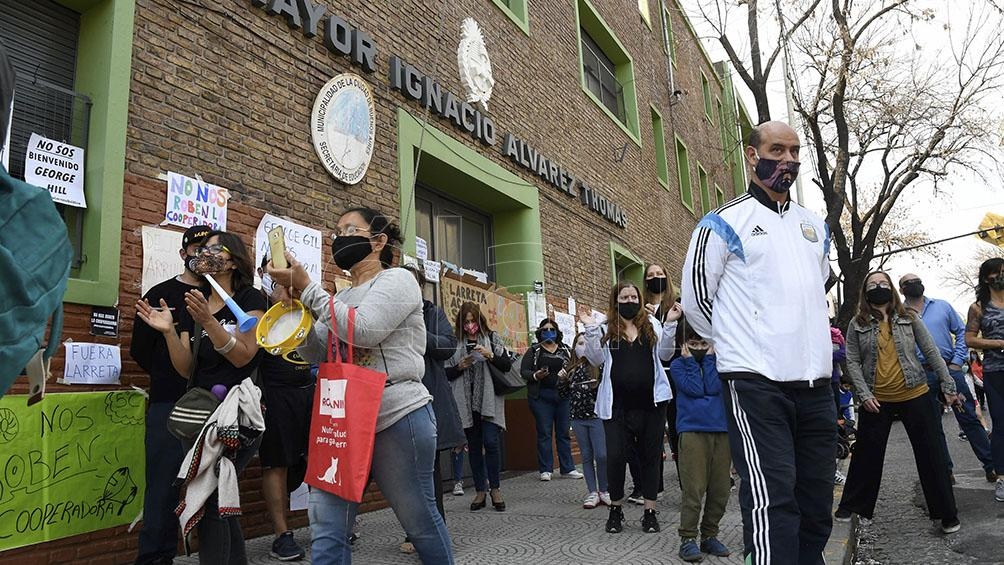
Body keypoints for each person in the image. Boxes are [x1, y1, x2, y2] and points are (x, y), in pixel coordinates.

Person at [681, 121, 836, 564]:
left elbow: (814, 289)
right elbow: (696, 302)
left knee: (815, 500)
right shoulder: (723, 223)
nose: (786, 160)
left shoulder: (814, 226)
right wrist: (743, 345)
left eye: (793, 151)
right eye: (775, 150)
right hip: (756, 384)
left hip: (817, 388)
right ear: (752, 155)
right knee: (773, 500)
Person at [267, 207, 453, 565]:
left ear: (379, 241)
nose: (339, 237)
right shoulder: (340, 297)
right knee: (326, 524)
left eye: (350, 229)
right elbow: (315, 350)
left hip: (396, 412)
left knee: (419, 521)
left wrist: (309, 289)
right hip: (341, 420)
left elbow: (364, 329)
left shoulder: (398, 280)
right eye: (336, 231)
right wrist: (297, 310)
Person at [136, 230, 267, 564]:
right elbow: (186, 369)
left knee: (209, 499)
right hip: (202, 414)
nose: (206, 255)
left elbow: (244, 356)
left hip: (237, 414)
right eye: (203, 250)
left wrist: (210, 322)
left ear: (234, 259)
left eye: (215, 250)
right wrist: (168, 332)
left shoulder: (252, 299)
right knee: (218, 498)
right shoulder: (196, 299)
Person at [834, 271, 962, 534]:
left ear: (891, 288)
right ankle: (851, 506)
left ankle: (946, 514)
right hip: (876, 400)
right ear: (865, 291)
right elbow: (853, 361)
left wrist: (948, 383)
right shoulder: (857, 324)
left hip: (915, 394)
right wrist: (864, 394)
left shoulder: (909, 317)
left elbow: (930, 351)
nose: (878, 287)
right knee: (866, 455)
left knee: (931, 456)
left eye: (883, 283)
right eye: (872, 284)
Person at [130, 225, 209, 565]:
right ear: (183, 253)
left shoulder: (225, 295)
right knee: (161, 488)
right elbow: (140, 351)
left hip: (213, 404)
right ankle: (155, 558)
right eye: (196, 248)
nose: (203, 255)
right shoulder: (159, 293)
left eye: (211, 248)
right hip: (169, 403)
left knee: (212, 488)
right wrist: (169, 374)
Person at [580, 281, 678, 534]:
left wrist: (671, 324)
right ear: (616, 301)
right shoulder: (605, 328)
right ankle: (616, 510)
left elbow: (666, 355)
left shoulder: (652, 325)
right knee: (615, 458)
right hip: (616, 406)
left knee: (650, 457)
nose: (630, 301)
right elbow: (595, 359)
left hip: (652, 404)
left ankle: (650, 512)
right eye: (624, 297)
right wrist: (590, 329)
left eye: (633, 296)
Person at [900, 273, 997, 483]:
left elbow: (962, 330)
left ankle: (992, 466)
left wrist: (956, 361)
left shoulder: (942, 306)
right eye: (908, 283)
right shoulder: (899, 314)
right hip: (921, 377)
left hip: (950, 372)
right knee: (932, 426)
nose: (914, 284)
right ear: (901, 290)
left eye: (917, 280)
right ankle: (945, 471)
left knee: (969, 417)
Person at [399, 263, 465, 553]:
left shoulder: (432, 312)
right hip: (397, 399)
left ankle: (436, 531)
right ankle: (413, 531)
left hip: (429, 397)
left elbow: (448, 346)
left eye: (412, 283)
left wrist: (417, 335)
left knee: (430, 470)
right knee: (405, 471)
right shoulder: (388, 313)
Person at [256, 260, 313, 561]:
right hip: (276, 397)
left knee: (317, 461)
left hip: (309, 393)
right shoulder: (260, 315)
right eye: (279, 281)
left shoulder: (307, 310)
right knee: (275, 464)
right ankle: (281, 534)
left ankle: (326, 523)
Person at [669, 320, 731, 562]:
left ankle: (709, 535)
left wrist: (709, 359)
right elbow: (695, 388)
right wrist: (689, 361)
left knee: (720, 489)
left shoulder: (718, 363)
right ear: (683, 344)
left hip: (721, 430)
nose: (699, 348)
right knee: (694, 489)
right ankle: (687, 538)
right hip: (692, 431)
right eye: (693, 343)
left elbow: (714, 386)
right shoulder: (677, 365)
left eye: (703, 343)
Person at [445, 302, 513, 512]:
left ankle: (495, 488)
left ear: (479, 320)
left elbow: (507, 364)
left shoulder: (491, 337)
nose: (470, 325)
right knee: (473, 447)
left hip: (488, 400)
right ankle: (480, 491)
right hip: (465, 403)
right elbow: (445, 373)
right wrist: (460, 366)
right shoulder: (455, 342)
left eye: (473, 320)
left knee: (491, 443)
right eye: (466, 322)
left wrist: (489, 355)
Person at [520, 318, 582, 481]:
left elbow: (575, 367)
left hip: (563, 396)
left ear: (557, 332)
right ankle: (546, 469)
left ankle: (567, 468)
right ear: (540, 332)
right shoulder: (534, 351)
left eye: (552, 329)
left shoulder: (566, 350)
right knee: (544, 433)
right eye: (545, 329)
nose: (549, 332)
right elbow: (524, 371)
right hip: (541, 397)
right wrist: (536, 375)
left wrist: (568, 376)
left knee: (563, 433)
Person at [964, 257, 1004, 503]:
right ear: (987, 277)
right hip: (995, 371)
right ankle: (1001, 478)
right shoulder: (978, 307)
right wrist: (998, 343)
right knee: (1001, 425)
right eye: (998, 272)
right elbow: (970, 338)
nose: (1001, 276)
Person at [557, 332, 610, 508]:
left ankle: (604, 489)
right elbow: (563, 394)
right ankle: (592, 492)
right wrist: (561, 379)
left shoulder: (600, 366)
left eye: (586, 344)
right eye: (579, 343)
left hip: (596, 417)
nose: (583, 347)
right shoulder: (571, 369)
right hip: (577, 419)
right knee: (586, 455)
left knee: (602, 455)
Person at [643, 263, 680, 461]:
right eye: (650, 275)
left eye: (659, 273)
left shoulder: (677, 304)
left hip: (675, 370)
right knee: (652, 428)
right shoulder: (640, 308)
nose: (655, 277)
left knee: (677, 424)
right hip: (651, 373)